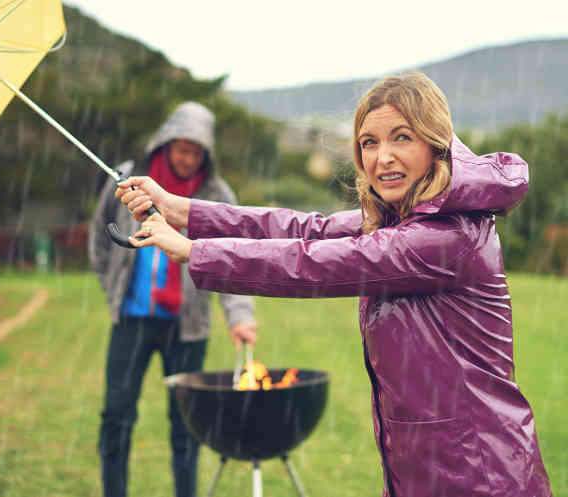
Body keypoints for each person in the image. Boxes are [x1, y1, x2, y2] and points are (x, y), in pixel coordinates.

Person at [115, 73, 553, 497]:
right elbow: (302, 228)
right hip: (426, 467)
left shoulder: (447, 237)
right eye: (369, 142)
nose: (383, 157)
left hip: (479, 474)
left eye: (402, 137)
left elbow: (312, 264)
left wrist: (195, 251)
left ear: (436, 143)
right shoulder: (402, 220)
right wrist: (184, 211)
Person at [88, 101, 258, 497]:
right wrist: (111, 284)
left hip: (188, 327)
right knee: (117, 415)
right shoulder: (129, 179)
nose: (187, 158)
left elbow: (236, 260)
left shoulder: (216, 195)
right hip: (131, 320)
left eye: (196, 152)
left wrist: (240, 316)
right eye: (182, 148)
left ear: (206, 155)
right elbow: (99, 236)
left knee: (186, 425)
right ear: (164, 144)